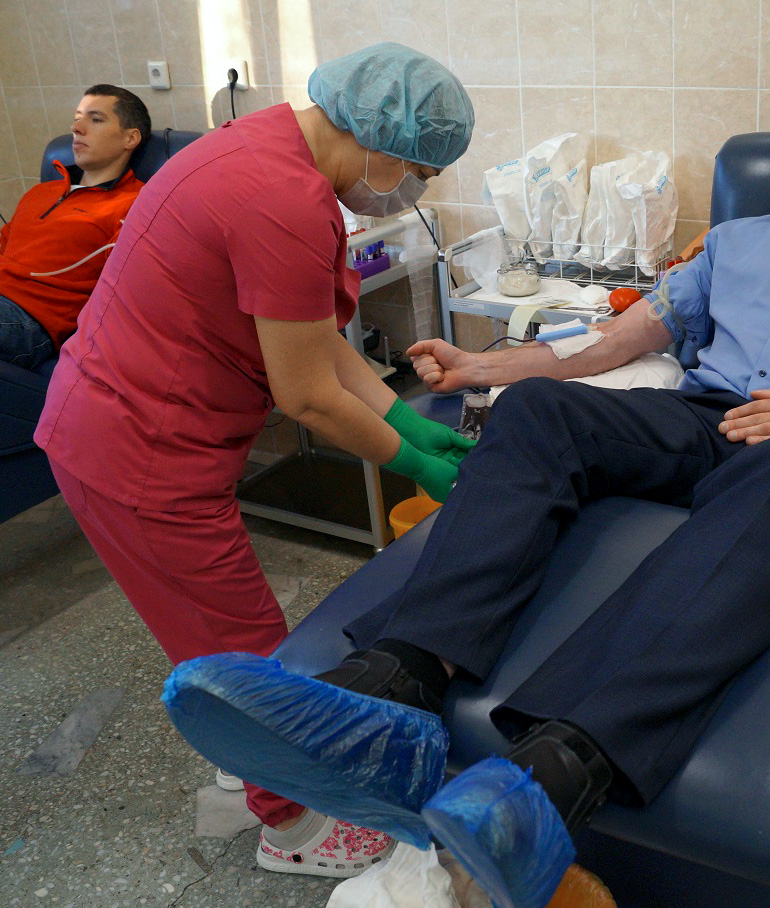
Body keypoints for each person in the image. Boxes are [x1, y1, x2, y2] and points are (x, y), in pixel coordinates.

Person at [162, 76, 770, 908]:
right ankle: (398, 678)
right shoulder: (733, 242)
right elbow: (613, 341)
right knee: (540, 409)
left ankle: (558, 768)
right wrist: (483, 366)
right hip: (707, 419)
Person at [34, 44, 475, 881]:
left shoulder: (266, 145)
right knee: (247, 650)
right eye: (418, 172)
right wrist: (416, 467)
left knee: (213, 633)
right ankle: (292, 824)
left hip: (125, 423)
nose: (412, 190)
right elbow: (307, 395)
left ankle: (250, 759)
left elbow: (312, 336)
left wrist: (406, 424)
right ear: (380, 139)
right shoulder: (283, 200)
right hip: (137, 451)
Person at [0, 85, 149, 370]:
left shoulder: (135, 204)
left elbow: (124, 290)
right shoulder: (39, 193)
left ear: (130, 138)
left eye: (95, 119)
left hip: (29, 321)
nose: (76, 128)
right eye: (77, 118)